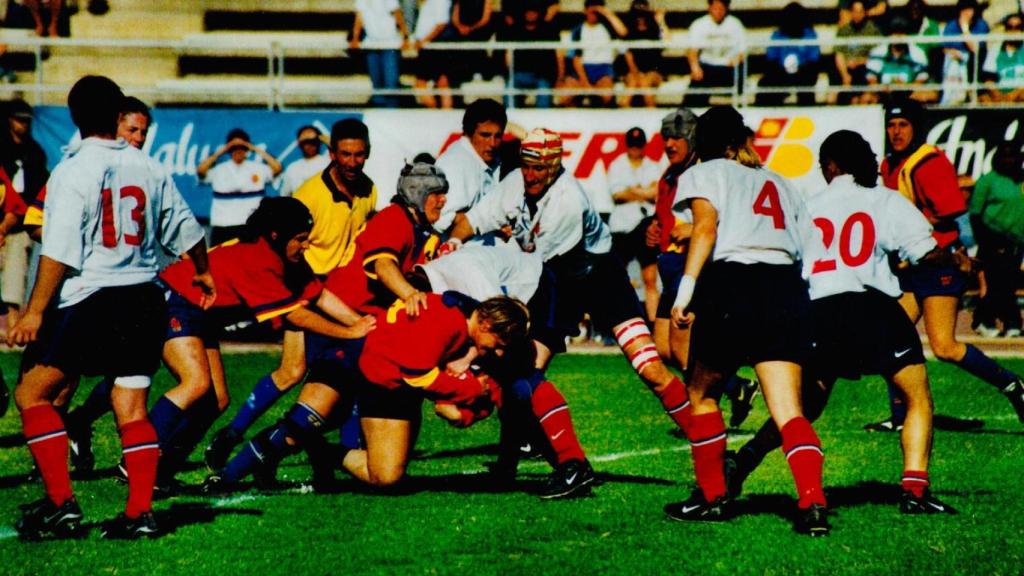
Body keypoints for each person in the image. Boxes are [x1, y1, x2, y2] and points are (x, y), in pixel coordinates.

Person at [8, 75, 212, 540]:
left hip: (92, 298)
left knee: (32, 394)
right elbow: (187, 228)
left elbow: (59, 250)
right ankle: (139, 513)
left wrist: (35, 311)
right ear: (118, 116)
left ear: (74, 116)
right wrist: (203, 271)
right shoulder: (149, 167)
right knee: (131, 406)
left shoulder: (72, 170)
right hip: (144, 297)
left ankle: (61, 504)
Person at [450, 128, 702, 497]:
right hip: (556, 280)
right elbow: (471, 221)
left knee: (651, 370)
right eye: (526, 165)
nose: (530, 175)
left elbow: (534, 269)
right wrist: (451, 242)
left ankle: (709, 445)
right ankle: (516, 465)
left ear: (554, 166)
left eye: (539, 167)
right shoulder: (514, 182)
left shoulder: (567, 200)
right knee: (523, 376)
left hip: (598, 279)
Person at [725, 130, 958, 517]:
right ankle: (915, 492)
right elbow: (924, 251)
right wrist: (958, 261)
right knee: (917, 397)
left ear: (831, 166)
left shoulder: (806, 206)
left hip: (818, 310)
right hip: (872, 307)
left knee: (804, 406)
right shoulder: (884, 199)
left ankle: (745, 458)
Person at [207, 162, 455, 490]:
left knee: (331, 415)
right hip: (339, 318)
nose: (443, 201)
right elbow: (383, 265)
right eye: (436, 194)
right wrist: (409, 294)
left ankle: (296, 455)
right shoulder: (394, 219)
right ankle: (227, 470)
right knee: (306, 412)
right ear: (417, 194)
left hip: (364, 328)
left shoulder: (423, 232)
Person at [663, 106, 828, 536]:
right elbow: (809, 246)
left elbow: (705, 229)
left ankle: (712, 497)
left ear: (701, 142)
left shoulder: (704, 172)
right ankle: (812, 502)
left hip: (733, 283)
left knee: (702, 393)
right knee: (788, 408)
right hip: (784, 285)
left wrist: (685, 290)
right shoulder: (780, 181)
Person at [147, 197, 375, 491]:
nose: (306, 245)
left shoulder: (284, 256)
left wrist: (362, 324)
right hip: (176, 301)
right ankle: (138, 457)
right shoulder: (258, 260)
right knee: (194, 384)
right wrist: (349, 332)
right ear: (276, 235)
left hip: (200, 314)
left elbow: (317, 295)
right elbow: (294, 314)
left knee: (216, 400)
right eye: (301, 239)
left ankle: (161, 473)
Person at [208, 292, 527, 492]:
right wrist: (467, 391)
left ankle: (314, 450)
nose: (498, 352)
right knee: (308, 425)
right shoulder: (446, 321)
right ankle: (227, 477)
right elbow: (417, 375)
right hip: (371, 367)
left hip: (380, 367)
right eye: (498, 344)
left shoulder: (458, 318)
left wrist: (463, 402)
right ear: (486, 324)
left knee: (387, 473)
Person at [204, 119, 377, 471]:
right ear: (332, 154)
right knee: (300, 372)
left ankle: (254, 441)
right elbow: (284, 249)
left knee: (317, 373)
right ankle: (245, 440)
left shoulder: (368, 190)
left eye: (359, 154)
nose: (352, 162)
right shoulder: (310, 196)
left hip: (337, 293)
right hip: (305, 292)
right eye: (345, 154)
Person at [866, 99, 1024, 431]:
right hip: (909, 265)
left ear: (916, 128)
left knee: (944, 346)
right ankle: (900, 417)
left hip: (937, 262)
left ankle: (1012, 384)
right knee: (888, 338)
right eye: (891, 125)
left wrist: (906, 226)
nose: (896, 132)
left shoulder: (930, 162)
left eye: (903, 125)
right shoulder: (890, 164)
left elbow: (951, 210)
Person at [647, 109, 759, 428]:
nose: (669, 144)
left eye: (676, 138)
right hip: (671, 264)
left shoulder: (705, 172)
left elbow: (718, 220)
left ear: (693, 140)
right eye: (665, 138)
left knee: (684, 351)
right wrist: (654, 229)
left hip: (692, 266)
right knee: (664, 348)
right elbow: (666, 218)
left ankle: (707, 412)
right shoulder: (669, 176)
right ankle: (736, 387)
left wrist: (693, 229)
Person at [968, 140, 1024, 337]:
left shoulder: (1021, 180)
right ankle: (999, 321)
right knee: (998, 283)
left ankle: (997, 321)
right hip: (993, 239)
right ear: (997, 158)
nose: (1010, 160)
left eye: (1014, 156)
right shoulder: (988, 181)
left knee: (1008, 283)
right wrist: (987, 241)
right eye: (1005, 156)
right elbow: (975, 214)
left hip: (1017, 242)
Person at [1, 99, 48, 326]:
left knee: (15, 279)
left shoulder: (34, 153)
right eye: (19, 120)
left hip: (19, 226)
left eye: (27, 121)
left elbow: (33, 195)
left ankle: (12, 328)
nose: (23, 125)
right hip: (4, 219)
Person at [606, 127, 660, 321]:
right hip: (622, 226)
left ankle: (653, 324)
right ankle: (617, 321)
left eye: (638, 145)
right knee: (618, 278)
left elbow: (656, 193)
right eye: (632, 145)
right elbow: (617, 195)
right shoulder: (617, 165)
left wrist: (633, 190)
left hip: (645, 225)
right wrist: (645, 192)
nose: (635, 149)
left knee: (650, 278)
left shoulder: (652, 165)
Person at [197, 128, 283, 246]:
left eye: (241, 147)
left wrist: (253, 147)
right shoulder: (219, 170)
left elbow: (277, 168)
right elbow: (200, 171)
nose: (238, 150)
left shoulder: (258, 168)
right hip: (223, 225)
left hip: (250, 226)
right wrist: (224, 149)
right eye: (234, 148)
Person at [434, 99, 506, 235]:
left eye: (498, 136)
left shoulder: (490, 158)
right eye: (485, 135)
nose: (492, 143)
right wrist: (493, 226)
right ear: (468, 133)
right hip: (461, 245)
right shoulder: (455, 163)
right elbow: (441, 218)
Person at [497, 0, 564, 108]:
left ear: (538, 13)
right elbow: (508, 55)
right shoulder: (515, 30)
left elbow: (558, 55)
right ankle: (510, 116)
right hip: (520, 74)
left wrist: (560, 77)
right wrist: (508, 75)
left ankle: (542, 118)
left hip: (541, 75)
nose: (531, 15)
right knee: (510, 87)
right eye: (528, 12)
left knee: (544, 90)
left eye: (534, 12)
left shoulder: (548, 30)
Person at [561, 0, 628, 107]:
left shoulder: (608, 28)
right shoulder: (577, 31)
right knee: (565, 97)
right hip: (582, 69)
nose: (594, 14)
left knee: (606, 96)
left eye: (597, 11)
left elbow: (623, 32)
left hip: (603, 69)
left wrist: (607, 13)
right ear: (585, 11)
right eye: (591, 11)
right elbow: (576, 59)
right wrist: (585, 83)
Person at [684, 0, 746, 107]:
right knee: (694, 89)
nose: (718, 12)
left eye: (721, 9)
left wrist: (736, 60)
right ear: (709, 8)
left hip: (728, 67)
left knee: (740, 76)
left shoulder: (735, 24)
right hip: (707, 67)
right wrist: (695, 67)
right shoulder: (699, 24)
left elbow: (742, 51)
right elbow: (692, 50)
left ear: (726, 9)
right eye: (715, 8)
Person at [756, 1, 820, 106]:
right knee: (764, 83)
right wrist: (783, 70)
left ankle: (807, 111)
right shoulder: (777, 35)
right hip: (781, 72)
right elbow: (771, 58)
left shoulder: (810, 34)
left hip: (803, 71)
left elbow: (813, 59)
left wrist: (799, 69)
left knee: (807, 82)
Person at [351, 0, 410, 108]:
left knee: (391, 84)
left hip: (390, 45)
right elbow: (359, 17)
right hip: (372, 45)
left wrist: (405, 36)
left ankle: (392, 111)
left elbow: (397, 13)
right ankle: (379, 109)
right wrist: (355, 38)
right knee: (376, 85)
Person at [864, 16, 937, 103]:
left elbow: (921, 78)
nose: (898, 37)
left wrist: (905, 87)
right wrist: (883, 88)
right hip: (883, 93)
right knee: (866, 98)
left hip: (909, 93)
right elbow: (871, 78)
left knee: (929, 95)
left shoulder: (917, 53)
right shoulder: (878, 52)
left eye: (901, 33)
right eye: (895, 33)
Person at [620, 0, 669, 108]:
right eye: (637, 14)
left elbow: (667, 41)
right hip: (633, 71)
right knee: (631, 86)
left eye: (643, 14)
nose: (641, 18)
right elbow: (627, 54)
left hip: (653, 71)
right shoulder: (629, 32)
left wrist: (661, 21)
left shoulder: (655, 29)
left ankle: (651, 114)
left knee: (645, 84)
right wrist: (636, 73)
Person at [834, 0, 883, 104]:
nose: (857, 14)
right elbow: (839, 54)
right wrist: (845, 74)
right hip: (847, 69)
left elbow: (878, 55)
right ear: (851, 12)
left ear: (865, 12)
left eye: (860, 11)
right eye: (855, 11)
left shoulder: (873, 30)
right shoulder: (844, 30)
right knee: (834, 93)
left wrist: (860, 61)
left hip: (865, 69)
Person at [941, 0, 989, 104]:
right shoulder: (951, 25)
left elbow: (975, 49)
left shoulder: (981, 25)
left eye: (970, 9)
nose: (967, 13)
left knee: (970, 59)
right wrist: (952, 52)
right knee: (951, 63)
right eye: (964, 10)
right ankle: (949, 98)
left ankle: (968, 94)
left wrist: (965, 29)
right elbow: (944, 47)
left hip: (973, 61)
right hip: (954, 60)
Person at [412, 0, 454, 109]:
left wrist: (424, 41)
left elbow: (441, 23)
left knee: (440, 82)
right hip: (426, 46)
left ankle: (443, 113)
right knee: (424, 83)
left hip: (434, 45)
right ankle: (436, 112)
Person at [979, 12, 1024, 103]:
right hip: (1002, 93)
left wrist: (1014, 94)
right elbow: (988, 78)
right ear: (1005, 30)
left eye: (1018, 27)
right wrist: (997, 94)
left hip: (1020, 93)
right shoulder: (996, 49)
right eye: (1010, 27)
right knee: (982, 99)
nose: (1013, 31)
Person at [278, 125, 330, 197]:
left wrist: (321, 137)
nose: (309, 145)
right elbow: (284, 195)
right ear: (299, 144)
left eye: (313, 141)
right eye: (305, 142)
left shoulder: (328, 162)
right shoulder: (292, 168)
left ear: (319, 142)